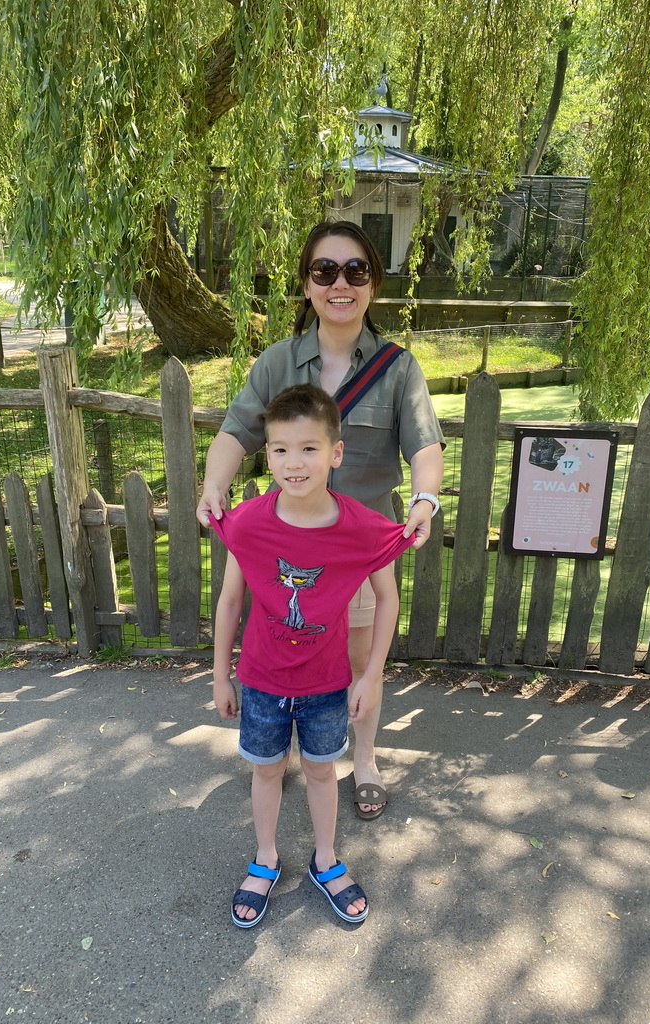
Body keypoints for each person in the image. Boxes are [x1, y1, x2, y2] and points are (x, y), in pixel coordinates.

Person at [197, 220, 444, 820]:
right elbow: (237, 430)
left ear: (372, 284)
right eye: (324, 271)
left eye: (355, 271)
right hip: (289, 543)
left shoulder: (398, 368)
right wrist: (213, 484)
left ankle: (362, 759)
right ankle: (279, 748)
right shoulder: (280, 360)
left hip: (356, 547)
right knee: (288, 648)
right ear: (307, 286)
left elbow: (425, 444)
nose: (340, 283)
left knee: (360, 663)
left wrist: (425, 499)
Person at [211, 384, 415, 927]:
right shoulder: (250, 523)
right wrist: (220, 677)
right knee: (267, 771)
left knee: (323, 772)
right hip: (259, 681)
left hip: (328, 683)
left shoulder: (363, 528)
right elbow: (231, 601)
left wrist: (371, 676)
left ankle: (326, 859)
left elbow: (389, 596)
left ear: (336, 453)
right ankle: (266, 858)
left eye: (308, 448)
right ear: (267, 454)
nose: (293, 463)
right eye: (280, 449)